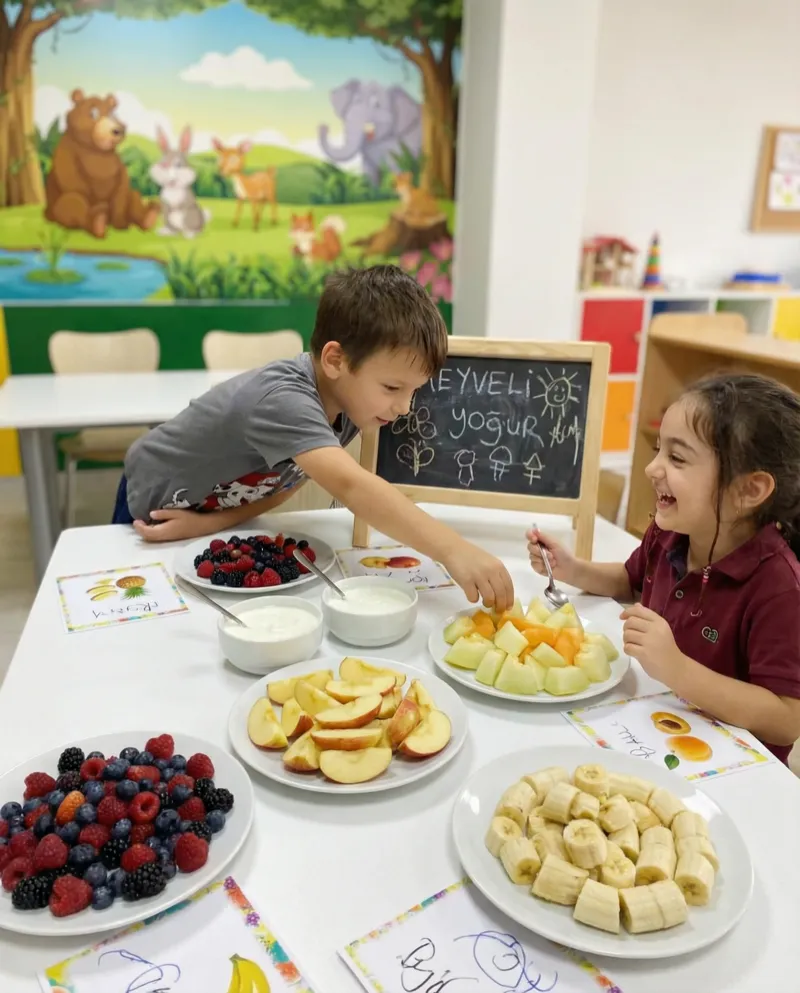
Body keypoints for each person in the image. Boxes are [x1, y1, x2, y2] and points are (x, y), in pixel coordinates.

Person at [116, 264, 514, 610]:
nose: (405, 408)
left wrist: (210, 524)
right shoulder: (284, 401)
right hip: (150, 506)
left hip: (203, 521)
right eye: (393, 388)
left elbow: (283, 483)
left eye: (414, 391)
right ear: (335, 360)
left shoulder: (351, 405)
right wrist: (454, 550)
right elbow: (352, 485)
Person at [527, 372, 800, 763]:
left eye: (676, 457)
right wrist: (573, 569)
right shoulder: (671, 532)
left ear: (749, 491)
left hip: (726, 765)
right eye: (658, 450)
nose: (651, 469)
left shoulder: (780, 587)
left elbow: (787, 719)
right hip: (650, 730)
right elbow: (632, 580)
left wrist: (677, 669)